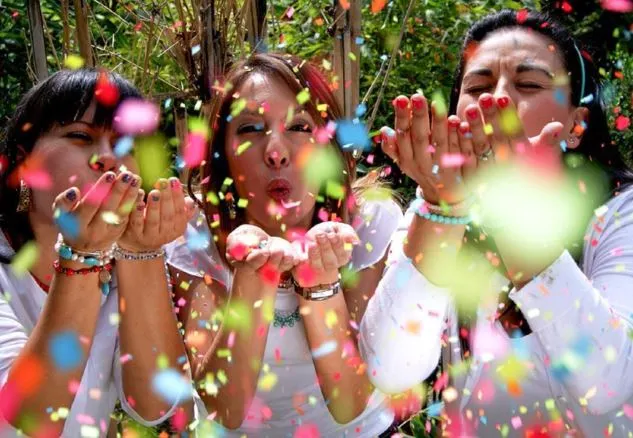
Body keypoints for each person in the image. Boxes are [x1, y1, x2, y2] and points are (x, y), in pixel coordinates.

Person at [359, 9, 633, 437]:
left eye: (528, 84)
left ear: (577, 125)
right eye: (478, 87)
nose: (496, 101)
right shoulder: (434, 211)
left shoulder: (620, 213)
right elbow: (390, 369)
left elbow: (608, 384)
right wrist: (443, 209)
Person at [166, 53, 403, 436]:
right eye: (250, 129)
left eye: (298, 126)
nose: (276, 151)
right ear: (222, 156)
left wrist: (320, 285)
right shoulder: (195, 238)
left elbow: (350, 401)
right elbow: (222, 408)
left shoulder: (368, 226)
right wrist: (251, 279)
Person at [0, 68, 194, 437]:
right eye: (80, 136)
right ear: (25, 162)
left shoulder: (123, 261)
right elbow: (31, 418)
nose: (107, 158)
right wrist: (82, 257)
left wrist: (141, 252)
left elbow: (153, 405)